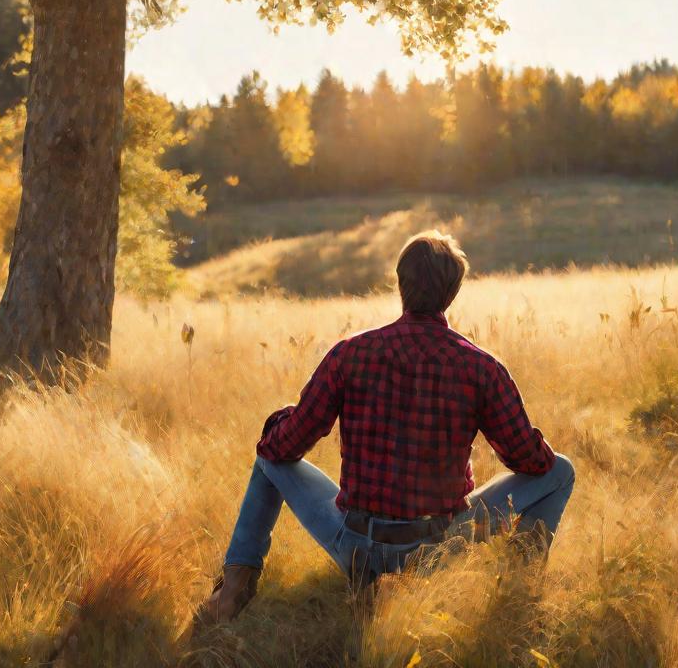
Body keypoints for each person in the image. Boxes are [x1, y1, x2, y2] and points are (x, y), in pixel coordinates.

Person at [201, 230, 575, 623]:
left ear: (401, 285)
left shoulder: (351, 354)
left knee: (267, 457)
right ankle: (517, 589)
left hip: (355, 542)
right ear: (451, 294)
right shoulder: (481, 368)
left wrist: (278, 419)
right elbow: (531, 462)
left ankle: (233, 592)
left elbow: (285, 446)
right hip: (436, 547)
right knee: (561, 470)